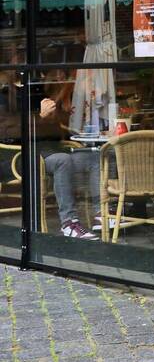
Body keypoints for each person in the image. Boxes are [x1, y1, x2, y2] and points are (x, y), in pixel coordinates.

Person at [33, 71, 102, 240]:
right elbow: (16, 132)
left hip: (55, 151)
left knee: (93, 156)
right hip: (28, 156)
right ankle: (69, 223)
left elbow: (59, 131)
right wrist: (41, 117)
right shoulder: (20, 98)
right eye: (56, 77)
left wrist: (60, 108)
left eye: (62, 76)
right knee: (62, 161)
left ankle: (100, 214)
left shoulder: (51, 100)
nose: (60, 79)